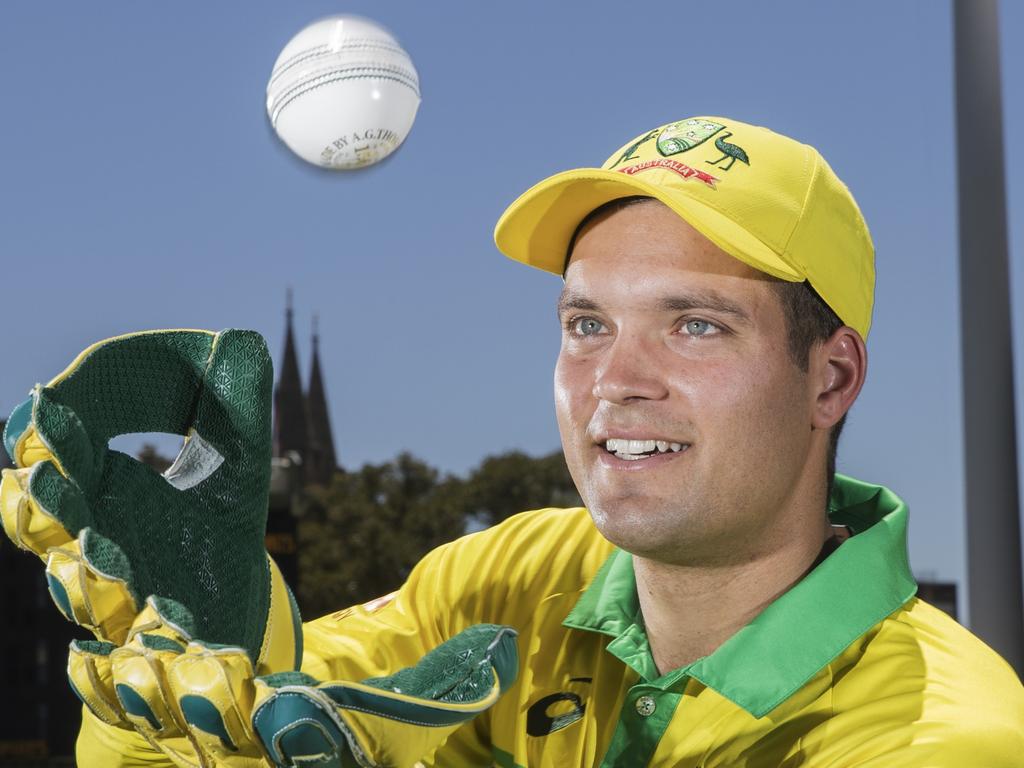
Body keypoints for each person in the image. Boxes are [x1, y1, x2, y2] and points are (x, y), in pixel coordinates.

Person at [5, 116, 1024, 767]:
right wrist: (173, 676)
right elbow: (236, 721)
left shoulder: (944, 738)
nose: (615, 382)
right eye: (587, 324)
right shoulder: (507, 577)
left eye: (695, 325)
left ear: (830, 376)